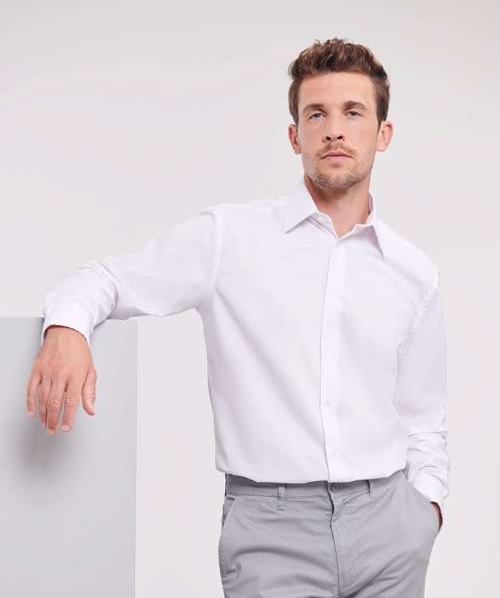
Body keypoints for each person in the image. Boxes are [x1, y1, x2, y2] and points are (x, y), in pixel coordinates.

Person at [26, 37, 450, 597]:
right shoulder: (230, 238)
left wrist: (426, 509)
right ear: (295, 136)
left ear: (383, 133)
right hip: (272, 529)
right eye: (316, 114)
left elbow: (423, 415)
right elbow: (106, 278)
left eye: (353, 113)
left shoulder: (413, 272)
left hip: (390, 527)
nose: (334, 130)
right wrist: (66, 326)